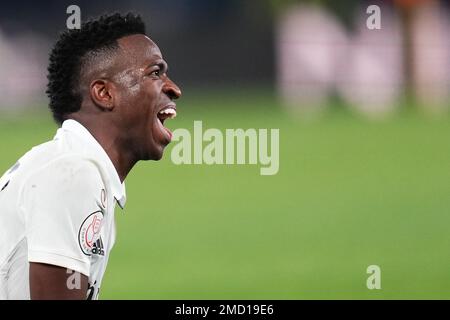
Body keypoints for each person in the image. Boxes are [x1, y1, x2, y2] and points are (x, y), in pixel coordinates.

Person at [0, 12, 182, 300]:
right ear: (104, 93)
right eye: (155, 73)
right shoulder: (72, 174)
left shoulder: (74, 168)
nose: (174, 89)